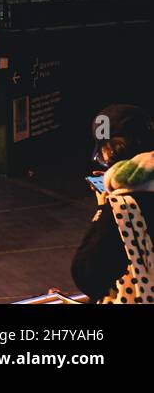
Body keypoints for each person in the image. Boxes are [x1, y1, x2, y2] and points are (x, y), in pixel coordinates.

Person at [72, 104, 154, 302]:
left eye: (103, 152)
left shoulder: (125, 205)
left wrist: (105, 207)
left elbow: (87, 272)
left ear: (114, 151)